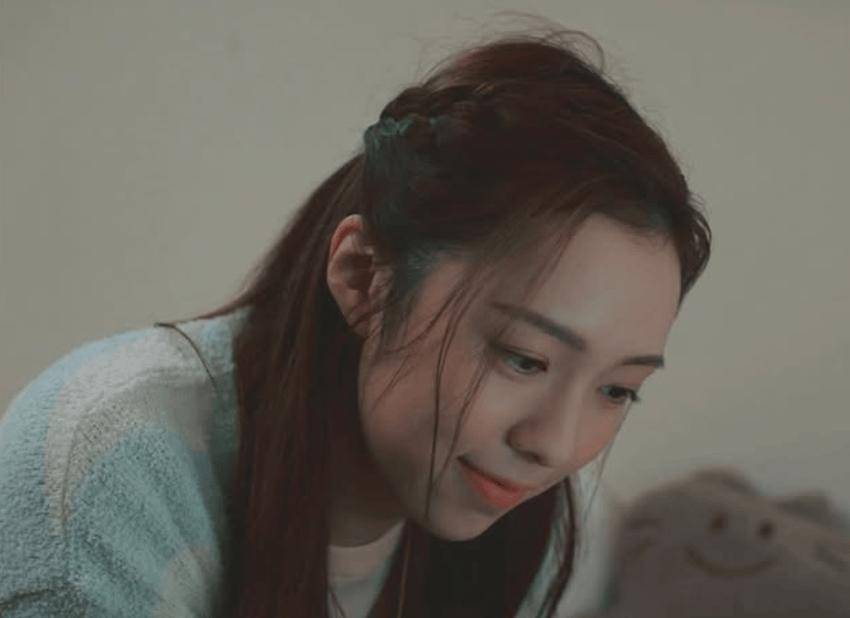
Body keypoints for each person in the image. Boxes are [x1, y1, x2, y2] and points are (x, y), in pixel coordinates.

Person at [0, 26, 711, 618]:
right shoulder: (113, 474)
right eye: (523, 358)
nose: (555, 445)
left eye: (617, 390)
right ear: (364, 278)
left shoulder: (542, 523)